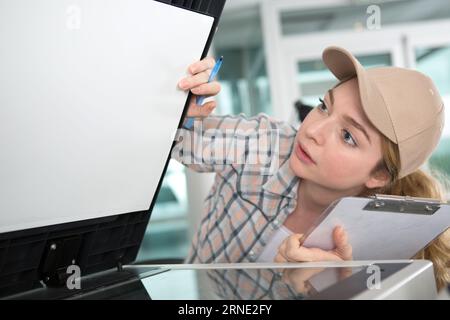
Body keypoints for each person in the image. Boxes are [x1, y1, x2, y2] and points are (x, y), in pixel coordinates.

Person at [173, 46, 449, 290]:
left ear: (379, 176)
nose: (313, 129)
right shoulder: (263, 141)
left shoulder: (374, 254)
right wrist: (176, 102)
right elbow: (179, 141)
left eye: (348, 136)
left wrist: (329, 290)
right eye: (324, 106)